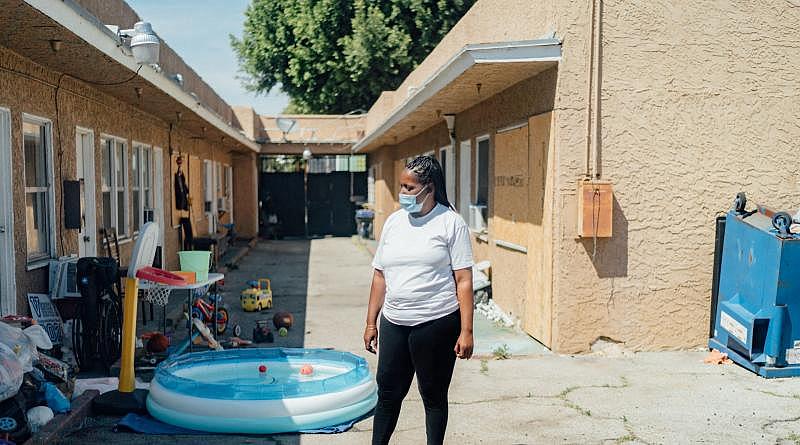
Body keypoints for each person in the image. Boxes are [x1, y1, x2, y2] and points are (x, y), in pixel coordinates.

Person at [364, 155, 474, 445]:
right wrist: (370, 322)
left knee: (433, 396)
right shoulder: (393, 222)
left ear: (429, 188)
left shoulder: (451, 223)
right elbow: (380, 275)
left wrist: (466, 330)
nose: (403, 194)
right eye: (401, 186)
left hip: (436, 323)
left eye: (409, 188)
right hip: (394, 322)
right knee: (387, 393)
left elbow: (463, 280)